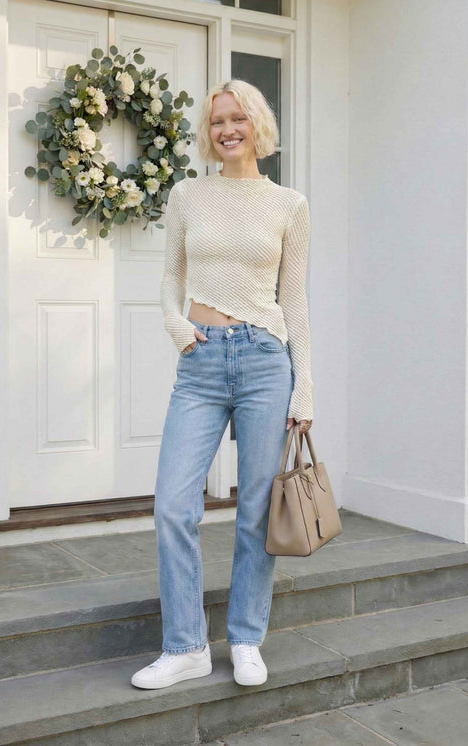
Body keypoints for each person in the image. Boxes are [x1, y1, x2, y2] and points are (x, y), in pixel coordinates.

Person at [131, 80, 313, 690]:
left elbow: (296, 301)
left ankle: (245, 638)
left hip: (266, 359)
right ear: (208, 133)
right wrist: (178, 328)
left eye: (237, 119)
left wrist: (304, 387)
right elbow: (169, 276)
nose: (227, 130)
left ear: (257, 125)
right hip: (202, 362)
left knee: (256, 511)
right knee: (172, 506)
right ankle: (185, 646)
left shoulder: (290, 205)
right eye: (217, 123)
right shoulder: (188, 195)